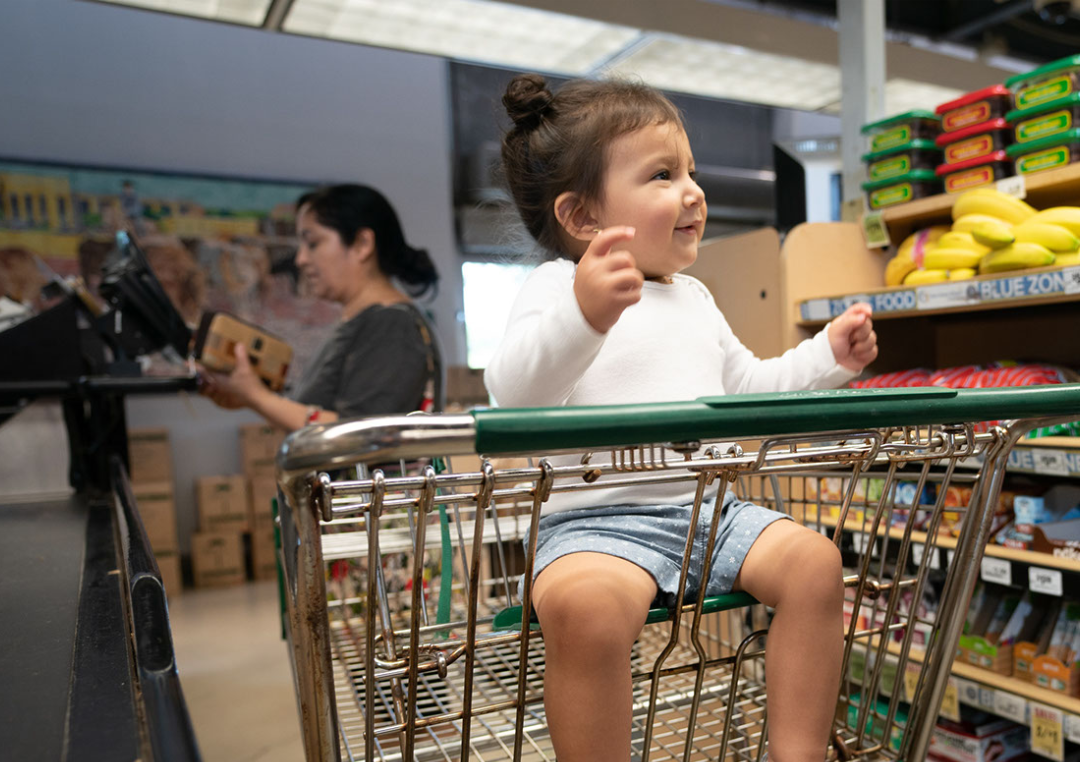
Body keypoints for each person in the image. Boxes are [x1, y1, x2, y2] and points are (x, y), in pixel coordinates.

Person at [484, 73, 878, 762]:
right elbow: (514, 395)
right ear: (581, 218)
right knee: (587, 612)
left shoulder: (693, 296)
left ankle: (797, 754)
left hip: (710, 513)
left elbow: (749, 389)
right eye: (663, 174)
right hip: (594, 525)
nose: (693, 191)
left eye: (690, 171)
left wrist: (828, 357)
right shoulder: (556, 288)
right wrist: (585, 315)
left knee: (815, 564)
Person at [200, 184, 442, 430]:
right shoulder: (363, 321)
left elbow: (365, 433)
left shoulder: (392, 325)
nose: (301, 259)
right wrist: (249, 397)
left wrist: (258, 397)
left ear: (362, 244)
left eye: (313, 243)